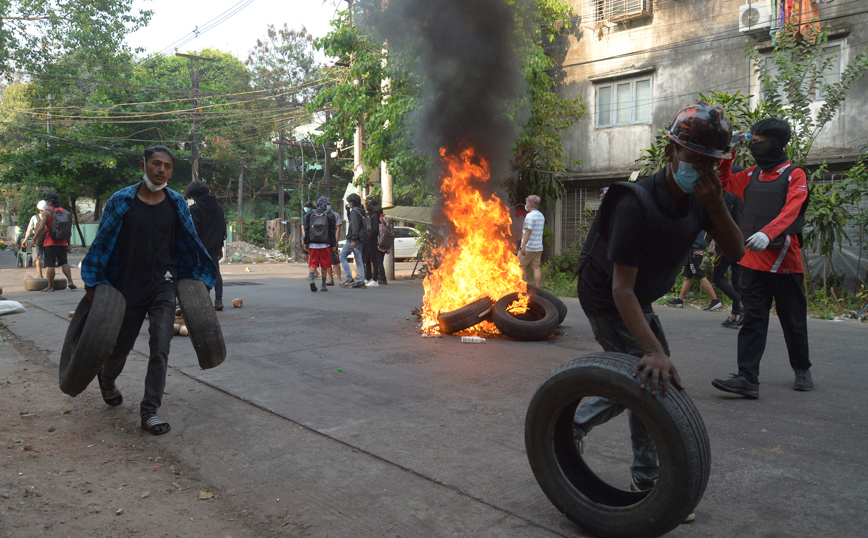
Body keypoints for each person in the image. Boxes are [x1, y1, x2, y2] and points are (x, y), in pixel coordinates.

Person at [572, 103, 744, 507]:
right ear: (672, 153)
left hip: (638, 294)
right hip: (606, 296)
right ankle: (585, 438)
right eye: (693, 159)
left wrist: (718, 205)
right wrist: (651, 348)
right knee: (645, 375)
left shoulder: (703, 198)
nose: (701, 170)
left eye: (710, 163)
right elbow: (621, 290)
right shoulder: (634, 202)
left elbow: (736, 252)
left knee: (650, 375)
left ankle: (638, 472)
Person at [81, 145, 216, 436]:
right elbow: (102, 245)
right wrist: (93, 283)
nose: (162, 170)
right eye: (156, 164)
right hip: (126, 286)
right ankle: (107, 380)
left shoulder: (177, 202)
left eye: (167, 166)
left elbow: (191, 243)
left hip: (163, 285)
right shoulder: (121, 201)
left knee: (161, 345)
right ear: (143, 165)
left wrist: (201, 280)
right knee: (120, 347)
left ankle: (149, 411)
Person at [712, 118, 812, 399]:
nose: (754, 145)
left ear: (776, 143)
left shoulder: (795, 174)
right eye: (752, 141)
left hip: (784, 261)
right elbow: (723, 182)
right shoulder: (751, 175)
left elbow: (793, 209)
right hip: (751, 262)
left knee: (792, 320)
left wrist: (768, 234)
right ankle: (747, 378)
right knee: (753, 319)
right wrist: (728, 154)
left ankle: (802, 368)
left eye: (759, 140)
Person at [185, 181, 227, 311]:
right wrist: (220, 246)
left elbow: (193, 230)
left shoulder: (195, 209)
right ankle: (218, 299)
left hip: (200, 247)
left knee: (198, 273)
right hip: (214, 246)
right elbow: (222, 228)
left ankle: (202, 301)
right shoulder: (218, 208)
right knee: (216, 271)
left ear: (194, 195)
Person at [666, 230, 723, 311]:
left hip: (696, 251)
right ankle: (679, 301)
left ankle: (715, 300)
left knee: (700, 276)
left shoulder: (698, 222)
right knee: (686, 276)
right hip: (692, 251)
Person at [713, 190, 745, 327]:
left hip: (727, 243)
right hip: (742, 243)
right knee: (737, 281)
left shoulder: (728, 195)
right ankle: (734, 315)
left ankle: (741, 304)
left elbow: (723, 220)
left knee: (718, 278)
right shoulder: (746, 196)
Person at [33, 192, 78, 291]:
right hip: (62, 242)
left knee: (50, 264)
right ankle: (70, 281)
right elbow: (68, 229)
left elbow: (41, 227)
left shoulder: (46, 212)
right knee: (64, 262)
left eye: (46, 200)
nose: (45, 202)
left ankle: (50, 286)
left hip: (50, 242)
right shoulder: (65, 212)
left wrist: (34, 239)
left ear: (50, 201)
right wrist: (68, 243)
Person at [303, 196, 337, 292]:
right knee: (325, 265)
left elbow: (307, 229)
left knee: (312, 264)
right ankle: (323, 285)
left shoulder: (310, 214)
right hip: (325, 244)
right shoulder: (330, 216)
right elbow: (332, 231)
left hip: (313, 244)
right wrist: (333, 244)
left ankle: (312, 279)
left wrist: (306, 242)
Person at [339, 193, 366, 289]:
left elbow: (354, 226)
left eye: (349, 202)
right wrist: (348, 211)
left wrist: (353, 240)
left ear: (353, 202)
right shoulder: (360, 211)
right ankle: (361, 280)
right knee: (359, 260)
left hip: (353, 239)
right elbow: (354, 221)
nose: (349, 203)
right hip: (359, 239)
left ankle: (349, 278)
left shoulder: (355, 212)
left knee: (342, 256)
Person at [519, 194, 544, 287]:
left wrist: (523, 246)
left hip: (529, 247)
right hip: (538, 247)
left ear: (530, 204)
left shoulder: (529, 216)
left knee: (520, 266)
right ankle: (538, 289)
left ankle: (524, 287)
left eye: (526, 202)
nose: (526, 204)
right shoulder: (541, 216)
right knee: (536, 268)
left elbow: (528, 231)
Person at [22, 200, 48, 277]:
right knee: (48, 259)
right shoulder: (50, 216)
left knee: (38, 259)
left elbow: (29, 230)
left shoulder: (34, 217)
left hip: (37, 240)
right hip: (47, 240)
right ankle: (48, 274)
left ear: (38, 209)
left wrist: (25, 239)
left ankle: (40, 275)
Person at [361, 197, 383, 287]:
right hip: (367, 240)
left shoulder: (375, 216)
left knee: (374, 260)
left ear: (374, 206)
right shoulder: (370, 215)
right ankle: (368, 277)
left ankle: (375, 280)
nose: (368, 206)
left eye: (370, 205)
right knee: (366, 259)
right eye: (367, 205)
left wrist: (369, 237)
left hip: (371, 241)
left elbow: (375, 230)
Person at [327, 200, 343, 286]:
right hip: (324, 240)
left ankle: (339, 280)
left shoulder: (335, 215)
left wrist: (336, 241)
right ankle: (330, 279)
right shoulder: (322, 215)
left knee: (335, 260)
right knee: (327, 261)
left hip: (332, 240)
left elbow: (338, 228)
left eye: (328, 204)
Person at [376, 212, 393, 285]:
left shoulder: (379, 221)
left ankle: (382, 278)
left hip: (379, 244)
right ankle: (382, 278)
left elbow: (378, 233)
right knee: (380, 261)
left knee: (379, 261)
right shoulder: (388, 221)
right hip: (386, 244)